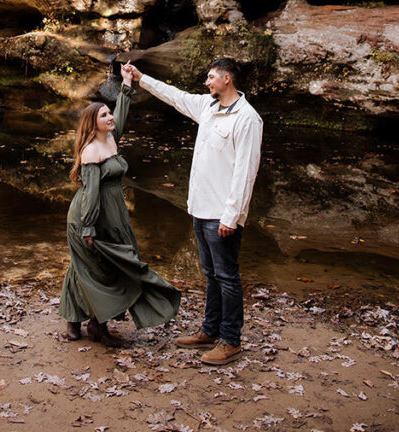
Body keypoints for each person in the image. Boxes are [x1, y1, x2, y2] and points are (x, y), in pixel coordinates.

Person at [124, 57, 262, 366]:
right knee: (211, 275)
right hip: (201, 209)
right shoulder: (208, 107)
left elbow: (245, 173)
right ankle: (210, 331)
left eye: (212, 77)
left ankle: (230, 341)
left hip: (222, 215)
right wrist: (140, 77)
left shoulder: (247, 119)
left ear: (227, 79)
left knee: (227, 277)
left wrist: (231, 216)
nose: (207, 82)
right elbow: (174, 96)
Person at [58, 64, 181, 347]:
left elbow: (122, 113)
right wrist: (88, 225)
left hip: (113, 214)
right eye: (104, 115)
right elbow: (90, 192)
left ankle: (79, 321)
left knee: (98, 267)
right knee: (93, 268)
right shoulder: (91, 151)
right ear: (93, 123)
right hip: (90, 215)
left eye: (109, 113)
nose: (110, 117)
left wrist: (127, 83)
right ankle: (94, 326)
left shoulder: (111, 138)